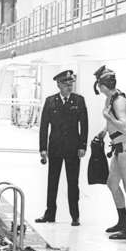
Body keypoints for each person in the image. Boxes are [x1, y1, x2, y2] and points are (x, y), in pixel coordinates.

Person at [35, 70, 88, 226]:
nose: (69, 86)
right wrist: (43, 149)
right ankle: (50, 213)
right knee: (52, 182)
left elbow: (84, 125)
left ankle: (75, 216)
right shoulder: (50, 101)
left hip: (73, 148)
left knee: (73, 183)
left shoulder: (79, 101)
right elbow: (44, 126)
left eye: (71, 83)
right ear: (58, 84)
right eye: (65, 84)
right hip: (55, 147)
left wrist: (83, 145)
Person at [95, 66, 126, 240]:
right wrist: (104, 131)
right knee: (112, 183)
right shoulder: (111, 98)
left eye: (99, 84)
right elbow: (113, 122)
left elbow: (124, 125)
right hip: (118, 147)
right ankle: (122, 221)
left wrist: (108, 118)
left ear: (102, 85)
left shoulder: (119, 100)